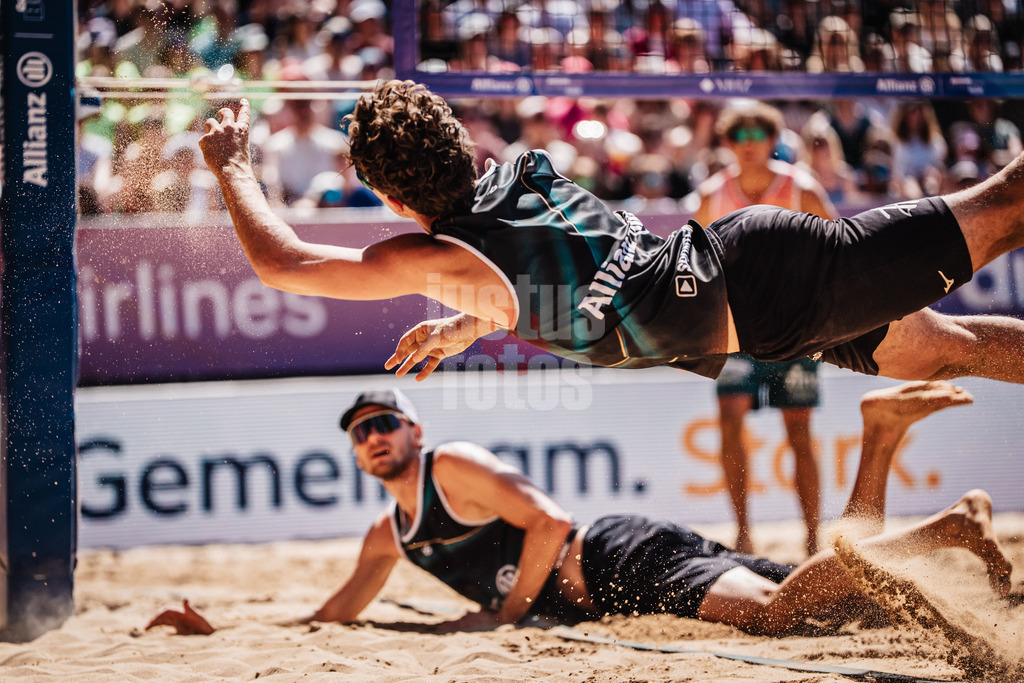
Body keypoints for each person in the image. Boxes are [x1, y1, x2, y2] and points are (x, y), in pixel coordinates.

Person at [198, 80, 1024, 387]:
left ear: (381, 189)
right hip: (761, 294)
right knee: (946, 348)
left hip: (762, 281)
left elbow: (286, 262)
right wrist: (466, 323)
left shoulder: (433, 253)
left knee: (1002, 209)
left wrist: (232, 164)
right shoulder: (512, 176)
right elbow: (541, 280)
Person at [147, 383, 1013, 637]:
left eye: (383, 422)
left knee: (781, 613)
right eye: (358, 432)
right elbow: (338, 613)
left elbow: (552, 525)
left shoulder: (455, 465)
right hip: (621, 574)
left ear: (412, 428)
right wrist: (222, 633)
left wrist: (509, 614)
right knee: (853, 600)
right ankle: (883, 440)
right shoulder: (390, 529)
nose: (371, 437)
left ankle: (940, 525)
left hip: (616, 559)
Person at [688, 101, 838, 557]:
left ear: (774, 140)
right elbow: (691, 263)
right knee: (730, 424)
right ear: (728, 143)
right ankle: (744, 535)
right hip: (736, 331)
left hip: (794, 329)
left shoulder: (801, 189)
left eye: (757, 136)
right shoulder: (712, 195)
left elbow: (837, 252)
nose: (748, 146)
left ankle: (813, 538)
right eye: (739, 137)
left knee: (799, 431)